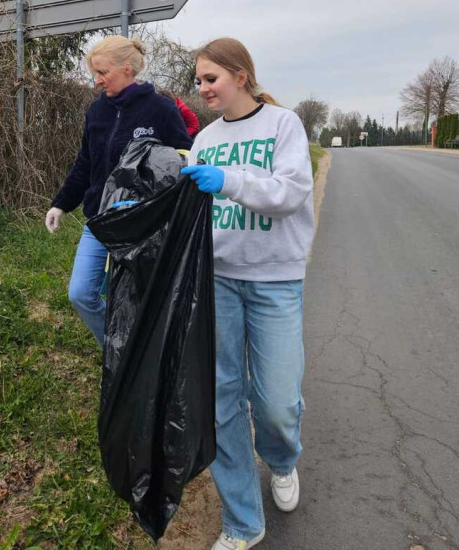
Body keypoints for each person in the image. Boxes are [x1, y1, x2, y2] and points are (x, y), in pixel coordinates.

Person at [181, 37, 314, 550]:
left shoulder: (284, 125)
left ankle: (282, 461)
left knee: (277, 403)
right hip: (215, 279)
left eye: (210, 78)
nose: (202, 88)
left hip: (274, 282)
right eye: (197, 80)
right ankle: (242, 522)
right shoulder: (205, 138)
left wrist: (229, 180)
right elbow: (191, 206)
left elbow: (289, 193)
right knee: (222, 401)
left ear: (241, 75)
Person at [45, 35, 192, 346]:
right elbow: (85, 163)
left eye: (102, 73)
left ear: (127, 69)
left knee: (134, 300)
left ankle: (136, 364)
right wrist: (61, 203)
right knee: (81, 293)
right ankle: (116, 353)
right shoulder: (96, 112)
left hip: (142, 226)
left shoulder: (161, 109)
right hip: (100, 220)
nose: (97, 81)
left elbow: (183, 158)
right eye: (94, 74)